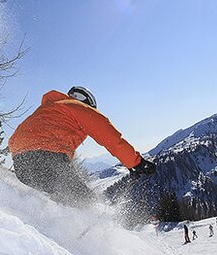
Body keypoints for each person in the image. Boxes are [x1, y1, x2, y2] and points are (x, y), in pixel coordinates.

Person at [8, 86, 155, 207]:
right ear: (87, 103)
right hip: (48, 159)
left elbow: (14, 139)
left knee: (63, 198)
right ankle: (91, 235)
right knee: (87, 201)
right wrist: (136, 163)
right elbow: (110, 137)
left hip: (21, 165)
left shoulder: (49, 110)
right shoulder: (78, 108)